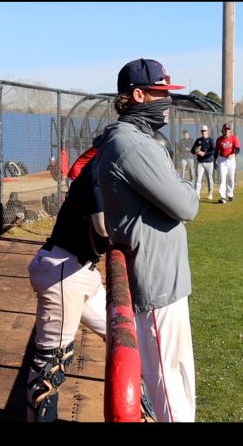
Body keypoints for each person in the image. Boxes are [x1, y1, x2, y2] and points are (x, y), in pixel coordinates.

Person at [93, 58, 199, 422]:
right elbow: (185, 204)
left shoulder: (136, 139)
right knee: (170, 385)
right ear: (137, 95)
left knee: (176, 380)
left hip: (161, 276)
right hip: (155, 282)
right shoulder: (131, 144)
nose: (166, 103)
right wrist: (187, 186)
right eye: (160, 94)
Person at [26, 155, 109, 422]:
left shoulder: (109, 167)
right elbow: (103, 229)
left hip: (80, 271)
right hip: (64, 271)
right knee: (51, 365)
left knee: (124, 335)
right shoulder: (101, 167)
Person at [214, 123, 240, 203]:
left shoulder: (234, 138)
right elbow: (216, 151)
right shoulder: (219, 139)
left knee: (231, 179)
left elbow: (238, 149)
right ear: (223, 130)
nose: (227, 130)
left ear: (230, 130)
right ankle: (222, 197)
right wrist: (214, 161)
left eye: (228, 129)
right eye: (225, 129)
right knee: (222, 178)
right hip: (222, 159)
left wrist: (233, 154)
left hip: (231, 160)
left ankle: (230, 194)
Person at [192, 125, 215, 201]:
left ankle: (210, 193)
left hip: (209, 162)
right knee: (198, 179)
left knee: (209, 179)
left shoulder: (211, 140)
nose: (203, 132)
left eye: (204, 131)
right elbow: (193, 150)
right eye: (202, 131)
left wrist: (204, 153)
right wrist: (197, 152)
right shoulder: (198, 140)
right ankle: (197, 195)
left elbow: (213, 151)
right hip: (200, 162)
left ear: (207, 131)